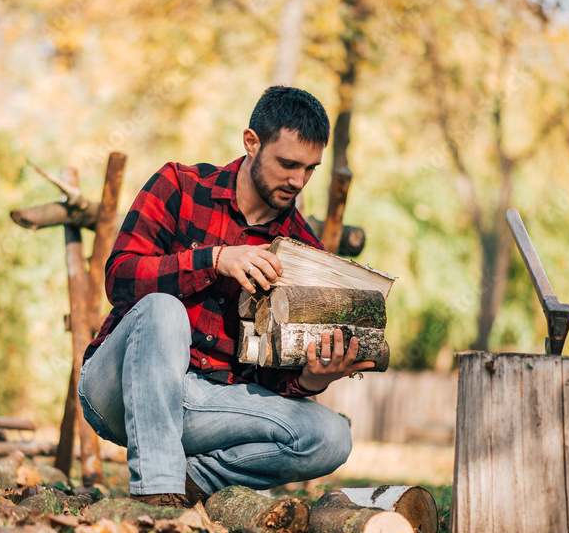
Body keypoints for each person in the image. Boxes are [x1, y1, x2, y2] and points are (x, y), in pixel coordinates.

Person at [77, 86, 375, 508]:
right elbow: (120, 278)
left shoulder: (302, 250)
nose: (298, 181)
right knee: (164, 309)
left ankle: (191, 481)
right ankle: (155, 497)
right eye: (288, 164)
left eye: (310, 169)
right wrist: (214, 259)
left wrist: (315, 377)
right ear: (251, 142)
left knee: (331, 437)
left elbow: (273, 378)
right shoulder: (179, 186)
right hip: (120, 386)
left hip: (208, 406)